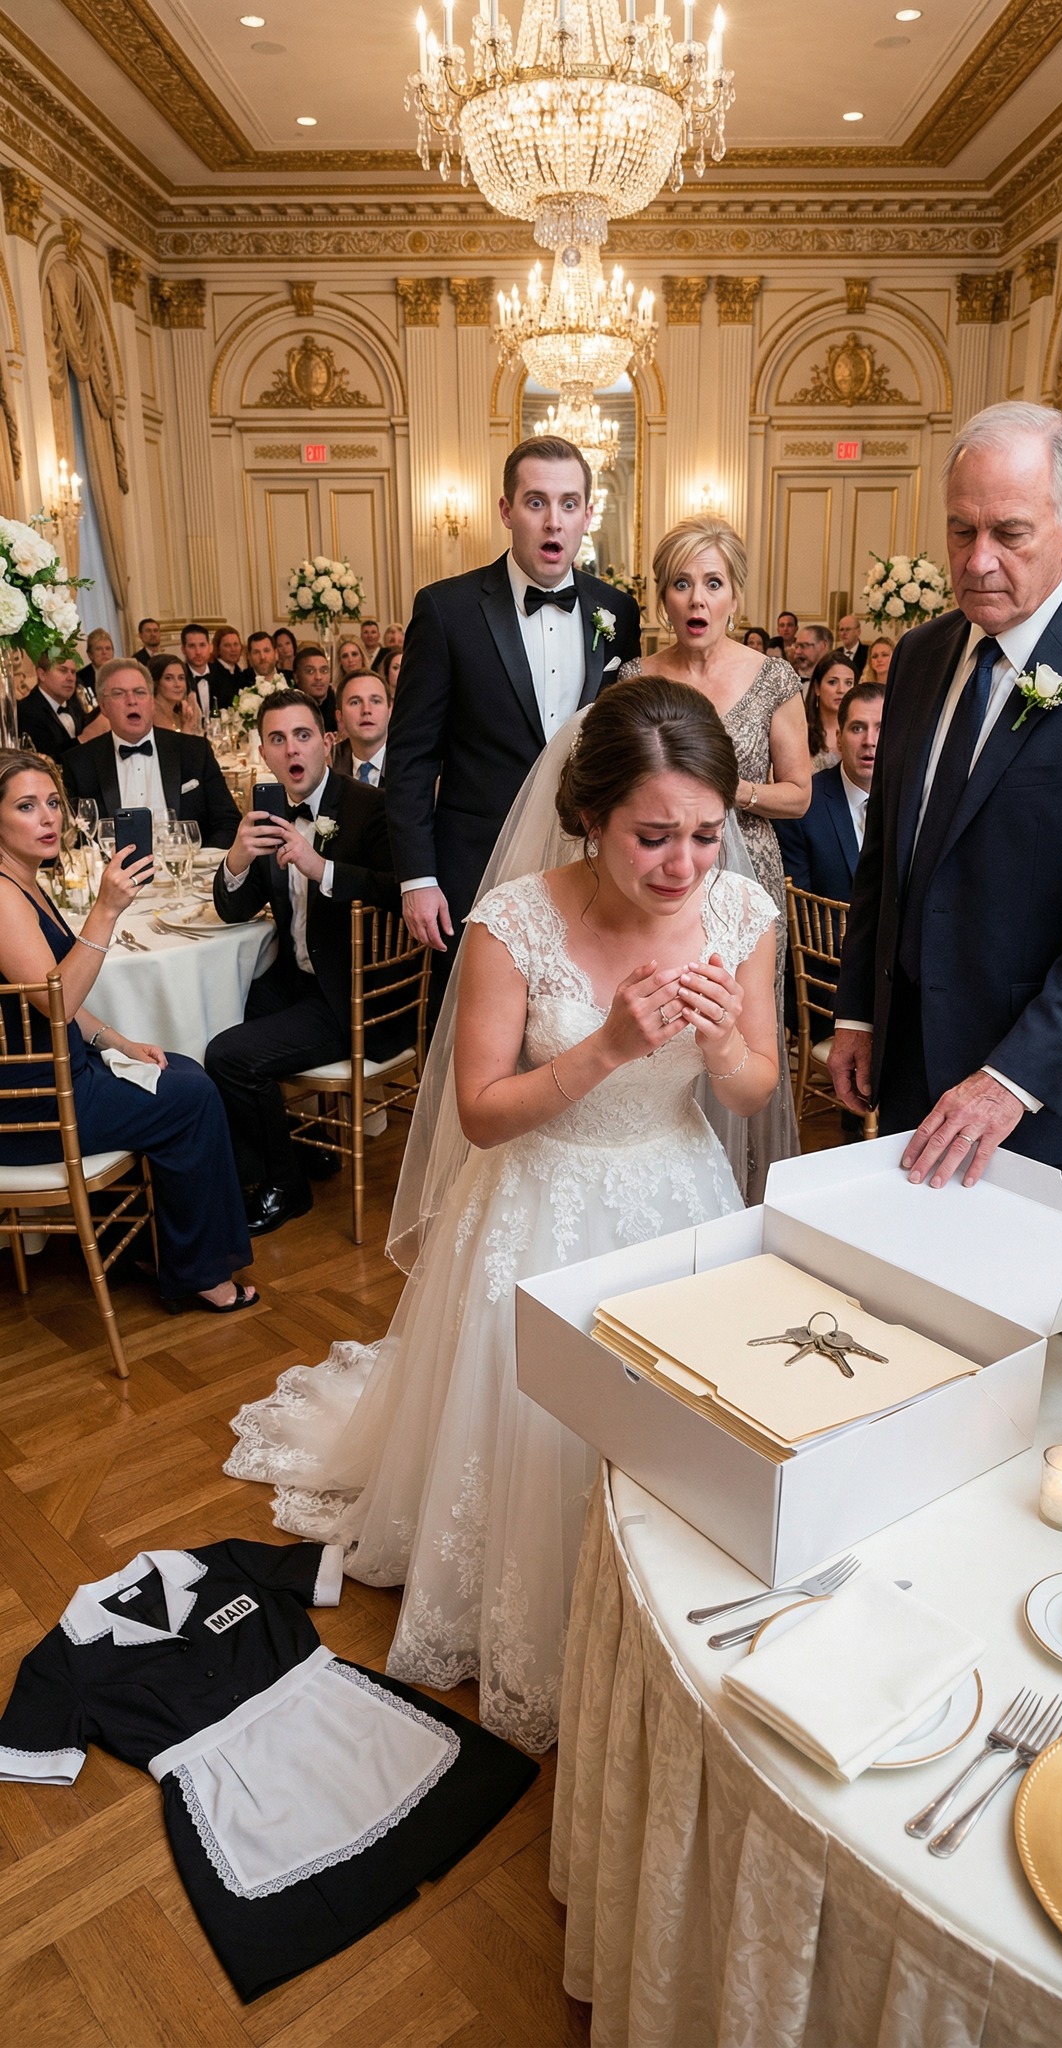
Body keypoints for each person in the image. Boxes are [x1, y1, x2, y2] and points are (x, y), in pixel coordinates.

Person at [224, 678, 781, 1750]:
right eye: (654, 836)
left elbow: (755, 1088)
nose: (686, 866)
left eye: (707, 834)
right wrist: (607, 1047)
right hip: (537, 1204)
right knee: (532, 1432)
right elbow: (480, 1115)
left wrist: (720, 1048)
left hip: (680, 1197)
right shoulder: (512, 923)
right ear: (590, 817)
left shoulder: (739, 913)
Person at [830, 400, 1062, 1191]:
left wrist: (1010, 1079)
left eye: (1008, 533)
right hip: (905, 1064)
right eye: (960, 531)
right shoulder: (918, 653)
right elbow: (883, 856)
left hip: (1035, 1095)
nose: (976, 562)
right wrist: (859, 1012)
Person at [0, 751, 256, 1312]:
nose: (48, 817)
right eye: (26, 806)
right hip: (34, 1105)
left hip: (59, 1074)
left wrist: (117, 1042)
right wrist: (106, 910)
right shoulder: (2, 896)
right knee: (192, 1097)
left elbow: (55, 1001)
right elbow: (59, 1000)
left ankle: (148, 1246)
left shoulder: (23, 882)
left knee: (178, 1067)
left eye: (52, 803)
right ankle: (200, 1273)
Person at [386, 435, 641, 982]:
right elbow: (410, 758)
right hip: (476, 867)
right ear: (506, 510)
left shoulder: (617, 611)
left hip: (588, 866)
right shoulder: (446, 609)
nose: (554, 522)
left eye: (569, 504)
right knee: (474, 1020)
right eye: (536, 502)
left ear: (588, 515)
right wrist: (418, 878)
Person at [618, 514, 809, 1188]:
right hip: (657, 875)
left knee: (738, 1025)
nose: (696, 599)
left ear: (735, 596)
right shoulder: (636, 676)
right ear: (662, 599)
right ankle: (660, 1175)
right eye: (681, 584)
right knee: (665, 1013)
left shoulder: (772, 678)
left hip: (746, 880)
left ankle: (739, 1183)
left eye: (712, 583)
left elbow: (799, 794)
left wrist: (730, 793)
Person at [204, 689, 400, 1238]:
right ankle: (288, 1146)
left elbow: (399, 893)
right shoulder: (268, 814)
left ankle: (284, 1186)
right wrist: (238, 856)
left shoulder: (370, 807)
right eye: (277, 738)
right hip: (298, 980)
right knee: (209, 1022)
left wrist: (322, 869)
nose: (291, 748)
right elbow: (233, 908)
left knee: (230, 1056)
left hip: (354, 994)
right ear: (264, 753)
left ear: (327, 742)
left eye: (302, 735)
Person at [777, 682, 884, 1055]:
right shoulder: (804, 806)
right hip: (830, 984)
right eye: (857, 728)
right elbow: (802, 916)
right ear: (838, 738)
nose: (870, 741)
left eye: (881, 728)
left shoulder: (915, 803)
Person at [61, 658, 240, 846]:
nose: (132, 701)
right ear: (103, 706)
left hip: (186, 861)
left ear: (152, 702)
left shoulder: (194, 751)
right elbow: (73, 838)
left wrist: (198, 858)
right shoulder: (80, 763)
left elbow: (228, 822)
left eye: (140, 692)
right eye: (119, 694)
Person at [18, 651, 94, 763]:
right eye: (63, 670)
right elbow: (44, 760)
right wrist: (85, 738)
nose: (71, 678)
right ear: (42, 674)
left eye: (73, 672)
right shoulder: (26, 710)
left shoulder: (75, 705)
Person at [331, 669, 390, 786]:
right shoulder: (328, 763)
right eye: (355, 702)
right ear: (339, 716)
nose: (366, 710)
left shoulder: (411, 762)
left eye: (376, 701)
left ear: (390, 710)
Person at [806, 651, 858, 771]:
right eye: (833, 682)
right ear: (817, 687)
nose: (841, 690)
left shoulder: (861, 730)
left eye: (848, 683)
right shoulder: (802, 730)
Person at [149, 654, 203, 736]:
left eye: (181, 678)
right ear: (156, 682)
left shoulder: (178, 715)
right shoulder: (153, 715)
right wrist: (188, 726)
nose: (177, 684)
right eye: (169, 678)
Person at [293, 642, 339, 732]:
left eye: (324, 671)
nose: (318, 677)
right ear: (296, 677)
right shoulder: (289, 708)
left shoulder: (339, 704)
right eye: (310, 671)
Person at [210, 626, 250, 707]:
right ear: (218, 649)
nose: (233, 649)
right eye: (227, 645)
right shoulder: (212, 673)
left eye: (236, 644)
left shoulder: (240, 673)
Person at [75, 628, 114, 703]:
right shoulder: (80, 678)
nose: (104, 652)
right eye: (99, 649)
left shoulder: (121, 673)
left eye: (108, 648)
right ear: (90, 654)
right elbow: (86, 706)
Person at [836, 613, 868, 679]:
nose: (844, 633)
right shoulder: (835, 654)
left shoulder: (868, 652)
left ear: (858, 632)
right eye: (841, 630)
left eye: (848, 629)